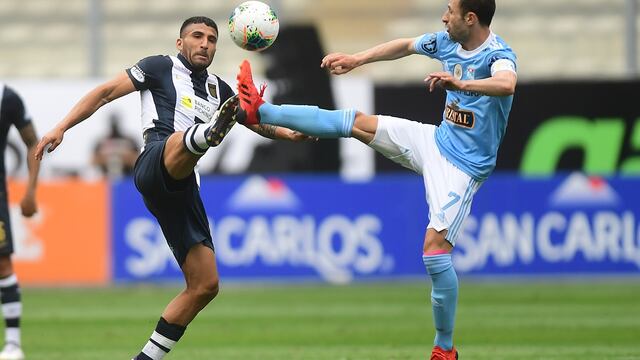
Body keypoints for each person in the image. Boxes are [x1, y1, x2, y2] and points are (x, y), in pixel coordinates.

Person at [235, 0, 517, 358]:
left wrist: (461, 83)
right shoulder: (447, 40)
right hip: (434, 140)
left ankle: (444, 348)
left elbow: (507, 84)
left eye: (450, 11)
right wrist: (357, 59)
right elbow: (404, 45)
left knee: (435, 253)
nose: (444, 17)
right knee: (355, 122)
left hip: (462, 167)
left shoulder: (498, 55)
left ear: (471, 18)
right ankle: (261, 110)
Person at [35, 16, 311, 360]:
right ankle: (206, 135)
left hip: (183, 187)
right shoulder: (158, 67)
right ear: (180, 43)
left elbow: (256, 123)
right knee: (181, 140)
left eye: (211, 39)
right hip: (154, 162)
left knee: (205, 285)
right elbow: (105, 93)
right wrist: (61, 127)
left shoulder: (220, 90)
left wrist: (289, 133)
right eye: (197, 36)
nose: (205, 43)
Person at [0, 83, 41, 360]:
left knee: (3, 264)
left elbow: (32, 143)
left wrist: (30, 191)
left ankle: (13, 344)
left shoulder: (7, 97)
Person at [91, 113, 140, 178]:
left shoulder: (130, 140)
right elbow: (93, 161)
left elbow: (139, 158)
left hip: (128, 178)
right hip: (105, 179)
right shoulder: (101, 141)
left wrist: (123, 159)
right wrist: (108, 159)